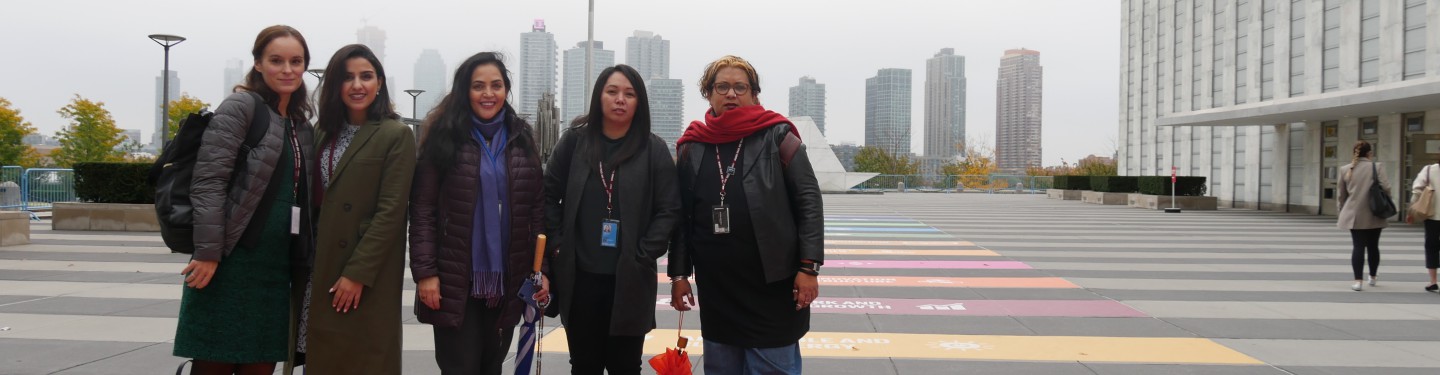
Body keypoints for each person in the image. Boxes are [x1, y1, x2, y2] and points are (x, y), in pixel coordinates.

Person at [174, 25, 318, 375]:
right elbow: (208, 181)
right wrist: (208, 252)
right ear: (258, 64)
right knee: (215, 361)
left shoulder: (300, 125)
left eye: (296, 61)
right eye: (276, 60)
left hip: (275, 268)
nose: (287, 69)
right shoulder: (242, 106)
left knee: (260, 364)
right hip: (229, 261)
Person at [667, 55, 824, 375]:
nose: (731, 94)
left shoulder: (778, 136)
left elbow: (809, 201)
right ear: (708, 94)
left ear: (754, 94)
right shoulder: (692, 146)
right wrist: (679, 275)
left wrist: (809, 267)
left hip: (773, 287)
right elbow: (681, 217)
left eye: (741, 87)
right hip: (718, 289)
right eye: (721, 87)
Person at [408, 52, 545, 375]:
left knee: (491, 366)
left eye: (496, 85)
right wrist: (425, 273)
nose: (488, 94)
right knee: (460, 367)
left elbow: (535, 210)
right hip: (456, 279)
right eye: (478, 86)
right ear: (464, 91)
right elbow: (423, 210)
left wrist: (543, 271)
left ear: (506, 90)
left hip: (508, 279)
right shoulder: (444, 138)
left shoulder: (521, 139)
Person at [543, 64, 680, 374]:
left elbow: (669, 209)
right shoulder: (575, 142)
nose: (620, 99)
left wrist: (644, 253)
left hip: (629, 280)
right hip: (581, 279)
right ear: (599, 97)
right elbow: (548, 195)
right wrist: (559, 244)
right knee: (583, 365)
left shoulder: (653, 149)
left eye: (629, 94)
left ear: (639, 102)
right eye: (612, 91)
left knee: (625, 366)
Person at [299, 44, 416, 374]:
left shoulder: (396, 134)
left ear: (379, 82)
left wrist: (357, 273)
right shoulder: (322, 131)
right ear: (335, 84)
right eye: (347, 77)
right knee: (323, 359)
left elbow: (391, 212)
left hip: (365, 272)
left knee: (365, 359)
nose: (357, 85)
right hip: (319, 267)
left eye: (366, 76)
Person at [1337, 140, 1389, 291]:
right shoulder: (1377, 167)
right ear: (1369, 153)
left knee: (1358, 246)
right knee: (1373, 246)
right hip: (1375, 212)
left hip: (1354, 213)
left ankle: (1357, 281)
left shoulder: (1346, 169)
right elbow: (1386, 188)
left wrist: (1341, 211)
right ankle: (1372, 277)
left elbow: (1341, 195)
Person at [1411, 160, 1440, 292]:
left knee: (1431, 246)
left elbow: (1417, 190)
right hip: (1432, 216)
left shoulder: (1429, 170)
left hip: (1432, 215)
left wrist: (1412, 209)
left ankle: (1433, 281)